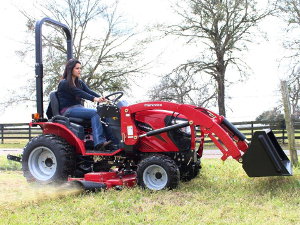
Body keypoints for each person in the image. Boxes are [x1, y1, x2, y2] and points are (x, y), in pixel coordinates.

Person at [57, 58, 111, 150]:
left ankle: (111, 140)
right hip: (68, 110)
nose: (79, 70)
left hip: (78, 108)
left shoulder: (79, 82)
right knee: (95, 113)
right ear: (70, 69)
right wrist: (95, 99)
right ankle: (99, 143)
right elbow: (79, 93)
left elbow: (89, 91)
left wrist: (103, 98)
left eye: (80, 68)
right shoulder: (64, 83)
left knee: (104, 112)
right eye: (77, 68)